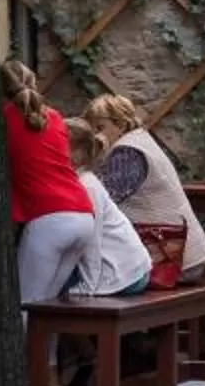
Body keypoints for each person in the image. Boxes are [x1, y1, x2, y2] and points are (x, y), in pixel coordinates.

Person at [81, 93, 205, 279]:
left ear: (121, 125)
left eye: (100, 128)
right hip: (182, 252)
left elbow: (102, 199)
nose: (95, 135)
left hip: (171, 259)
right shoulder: (139, 140)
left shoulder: (128, 153)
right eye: (92, 130)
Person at [3, 59, 94, 304]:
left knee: (26, 302)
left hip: (48, 219)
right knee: (49, 306)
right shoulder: (54, 117)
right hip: (83, 215)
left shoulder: (4, 119)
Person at [64, 124, 154, 297]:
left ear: (75, 154)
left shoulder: (87, 187)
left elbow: (92, 240)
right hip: (131, 269)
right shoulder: (84, 181)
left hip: (126, 274)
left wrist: (89, 286)